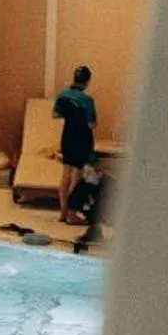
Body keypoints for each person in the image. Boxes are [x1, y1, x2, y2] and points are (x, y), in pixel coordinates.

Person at [53, 65, 99, 225]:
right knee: (77, 176)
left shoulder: (62, 96)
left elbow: (55, 114)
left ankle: (63, 212)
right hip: (82, 138)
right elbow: (92, 124)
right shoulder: (87, 100)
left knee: (65, 173)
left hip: (67, 136)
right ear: (87, 81)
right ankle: (72, 214)